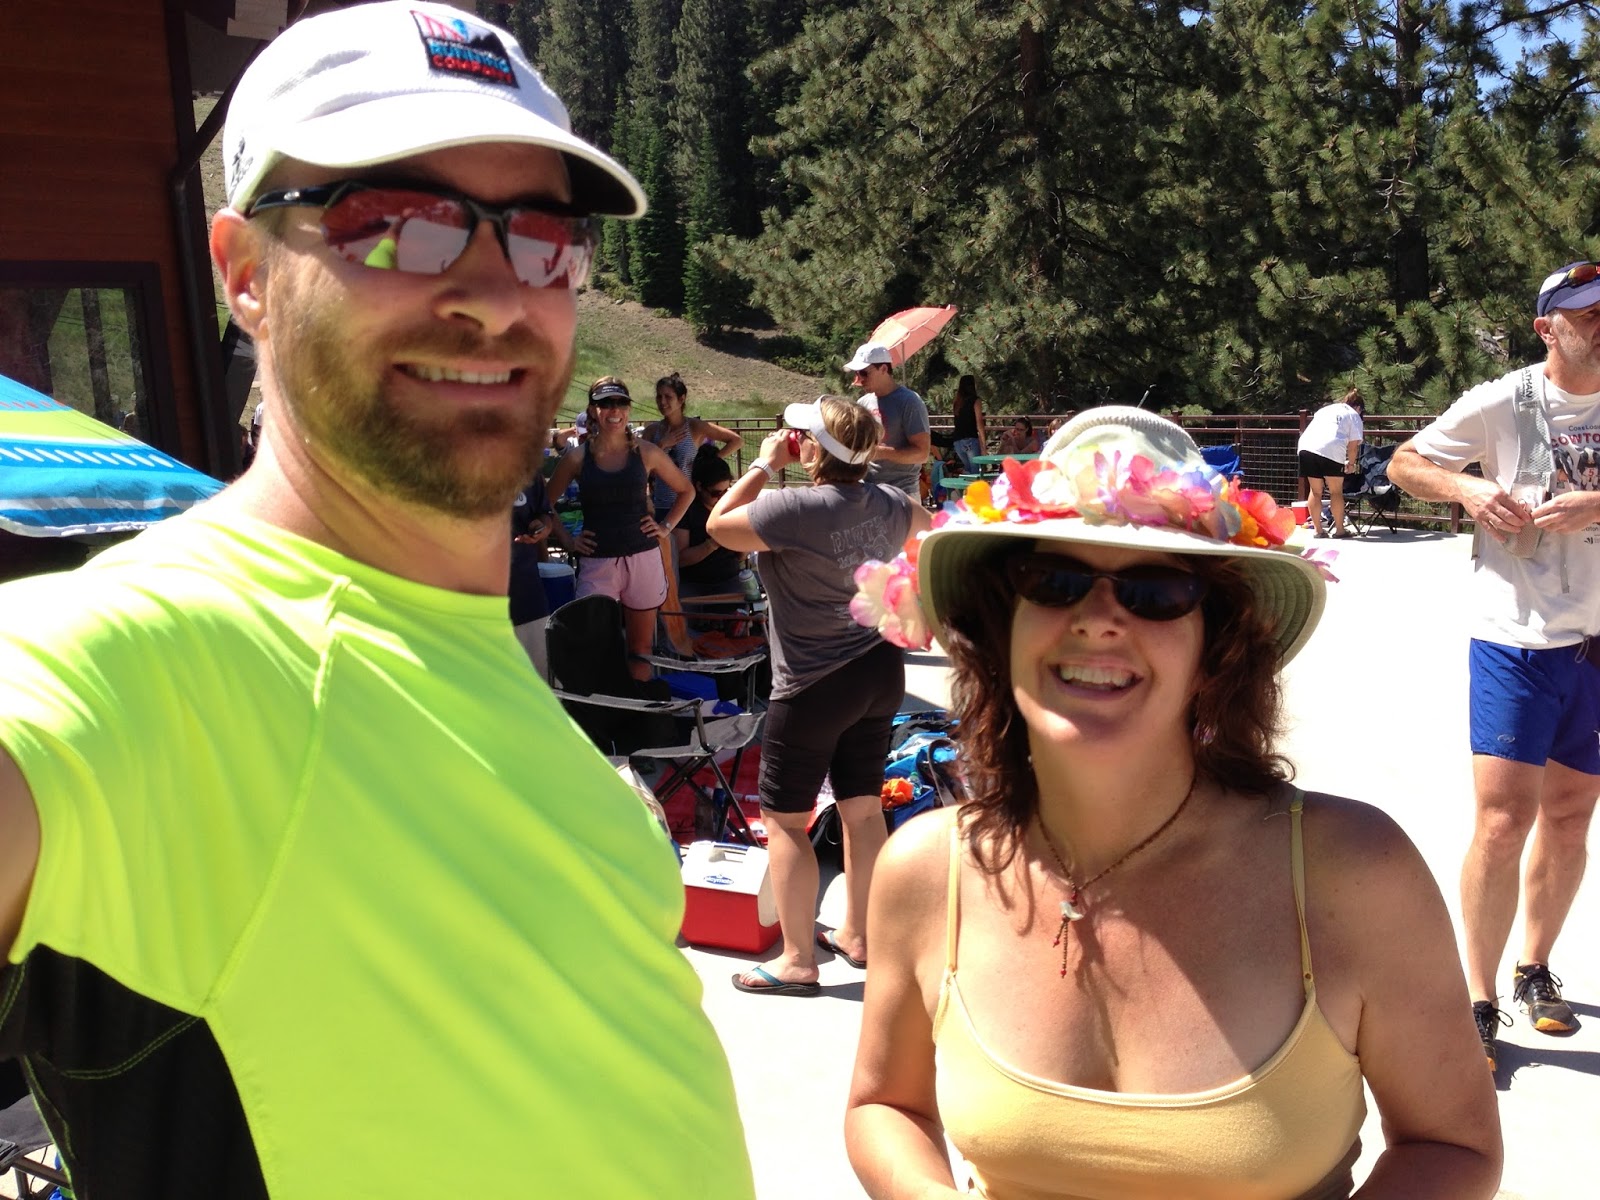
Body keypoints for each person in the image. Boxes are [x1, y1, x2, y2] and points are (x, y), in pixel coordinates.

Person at [0, 5, 756, 1198]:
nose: (494, 296)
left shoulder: (462, 653)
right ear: (245, 275)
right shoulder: (151, 660)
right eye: (397, 224)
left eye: (543, 238)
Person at [844, 407, 1500, 1198]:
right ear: (1000, 624)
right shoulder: (926, 869)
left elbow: (1453, 1145)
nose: (1098, 621)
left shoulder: (1353, 872)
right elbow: (884, 1105)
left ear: (1216, 647)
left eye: (1155, 591)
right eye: (1055, 581)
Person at [1388, 260, 1600, 1071]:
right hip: (1516, 636)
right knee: (1503, 822)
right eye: (1589, 315)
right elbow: (1404, 462)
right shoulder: (1503, 400)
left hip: (1596, 643)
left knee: (1572, 815)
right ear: (1548, 328)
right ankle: (1475, 999)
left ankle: (1533, 968)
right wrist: (1467, 491)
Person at [708, 396, 932, 994]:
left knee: (784, 821)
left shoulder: (790, 507)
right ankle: (860, 935)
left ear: (812, 449)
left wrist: (763, 463)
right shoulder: (889, 502)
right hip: (879, 671)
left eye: (801, 434)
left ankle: (797, 960)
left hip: (812, 684)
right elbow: (933, 528)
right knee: (863, 809)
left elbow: (718, 525)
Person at [546, 377, 692, 680]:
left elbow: (686, 490)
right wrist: (569, 541)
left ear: (628, 408)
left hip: (643, 557)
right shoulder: (577, 458)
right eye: (605, 403)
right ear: (593, 410)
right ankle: (603, 707)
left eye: (621, 403)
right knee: (595, 648)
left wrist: (665, 527)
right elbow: (544, 503)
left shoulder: (647, 452)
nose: (614, 410)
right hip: (598, 563)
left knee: (640, 650)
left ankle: (639, 706)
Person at [642, 372, 743, 522]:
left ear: (681, 399)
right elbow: (641, 468)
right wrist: (662, 445)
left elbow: (736, 440)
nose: (662, 402)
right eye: (659, 396)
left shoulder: (694, 427)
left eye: (668, 397)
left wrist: (710, 461)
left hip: (689, 505)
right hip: (660, 505)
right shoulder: (652, 431)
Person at [846, 341, 930, 498]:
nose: (859, 379)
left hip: (902, 492)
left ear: (884, 369)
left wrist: (881, 452)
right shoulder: (862, 403)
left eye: (864, 373)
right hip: (868, 490)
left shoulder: (909, 401)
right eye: (857, 373)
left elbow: (922, 454)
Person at [675, 444, 744, 601]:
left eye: (726, 491)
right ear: (699, 486)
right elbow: (680, 560)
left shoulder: (732, 507)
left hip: (728, 579)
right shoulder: (687, 510)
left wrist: (742, 538)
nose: (722, 498)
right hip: (694, 583)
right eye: (716, 493)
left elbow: (741, 556)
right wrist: (714, 542)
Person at [1297, 387, 1365, 538]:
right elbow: (1353, 447)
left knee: (1315, 491)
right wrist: (1351, 464)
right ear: (1358, 408)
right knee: (1336, 491)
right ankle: (1340, 530)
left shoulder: (1326, 410)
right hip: (1331, 449)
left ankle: (1318, 530)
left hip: (1306, 446)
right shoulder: (1354, 415)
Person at [949, 374, 987, 474]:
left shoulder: (957, 403)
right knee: (976, 472)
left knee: (968, 471)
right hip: (970, 439)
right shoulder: (975, 400)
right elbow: (979, 423)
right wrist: (984, 445)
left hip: (957, 441)